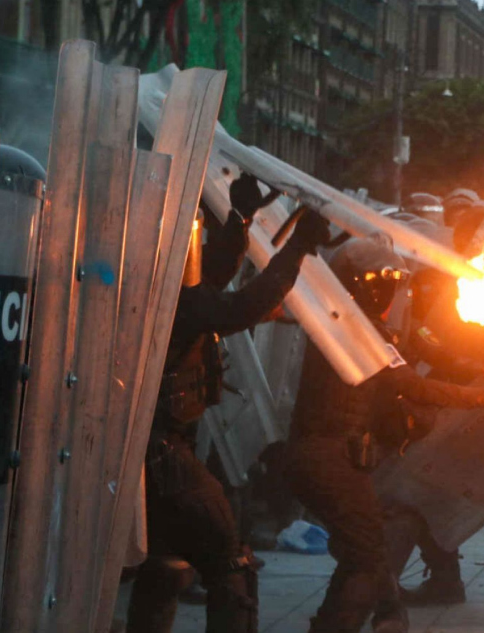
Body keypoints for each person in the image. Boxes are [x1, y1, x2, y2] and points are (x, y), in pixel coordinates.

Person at [283, 236, 484, 633]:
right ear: (370, 285)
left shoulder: (350, 324)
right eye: (390, 285)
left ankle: (386, 615)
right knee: (365, 554)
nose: (395, 294)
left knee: (363, 549)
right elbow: (412, 386)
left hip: (333, 457)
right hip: (330, 459)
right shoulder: (357, 332)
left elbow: (422, 361)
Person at [128, 175, 331, 633]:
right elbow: (238, 308)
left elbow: (208, 277)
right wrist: (296, 249)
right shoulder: (158, 292)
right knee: (229, 561)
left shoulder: (152, 276)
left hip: (155, 445)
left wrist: (240, 220)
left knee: (167, 562)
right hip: (161, 452)